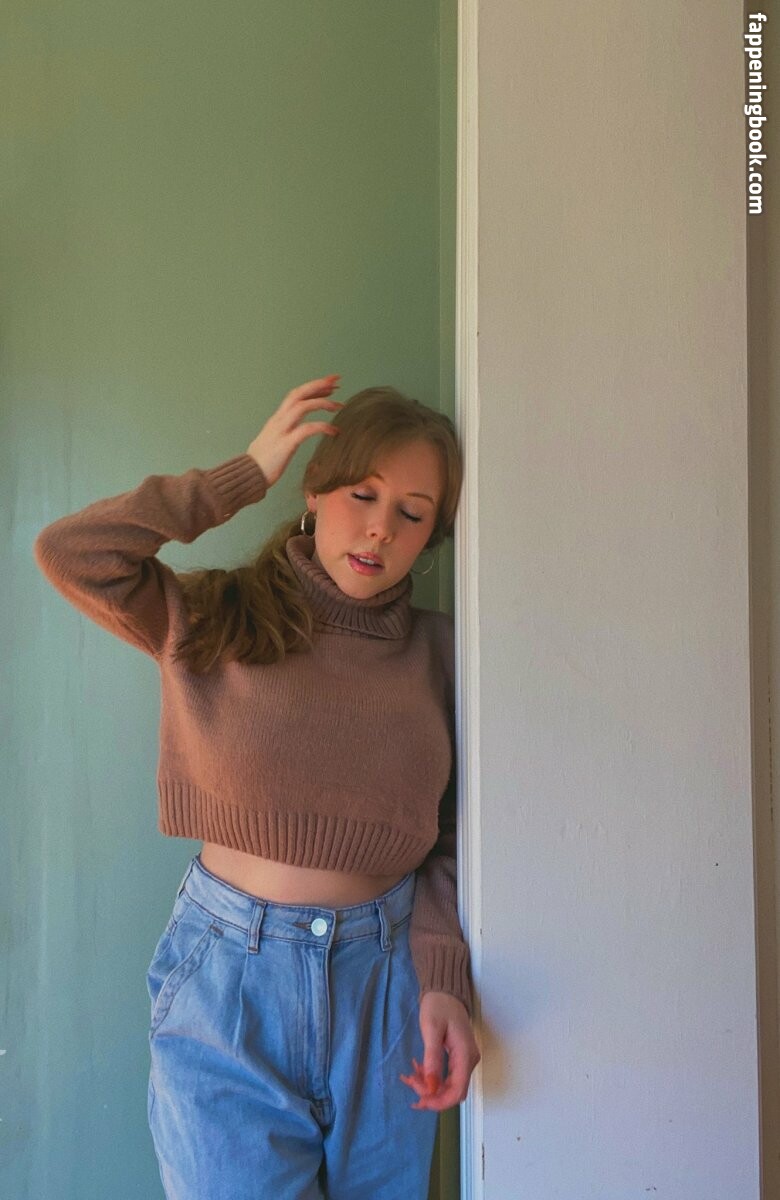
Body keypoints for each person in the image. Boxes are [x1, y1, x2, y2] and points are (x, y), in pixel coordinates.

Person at [33, 375, 480, 1199]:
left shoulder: (446, 656)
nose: (381, 526)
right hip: (229, 984)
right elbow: (71, 552)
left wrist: (444, 979)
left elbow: (457, 839)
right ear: (314, 491)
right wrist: (240, 476)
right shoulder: (214, 617)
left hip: (387, 990)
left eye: (413, 513)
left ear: (432, 536)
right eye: (362, 493)